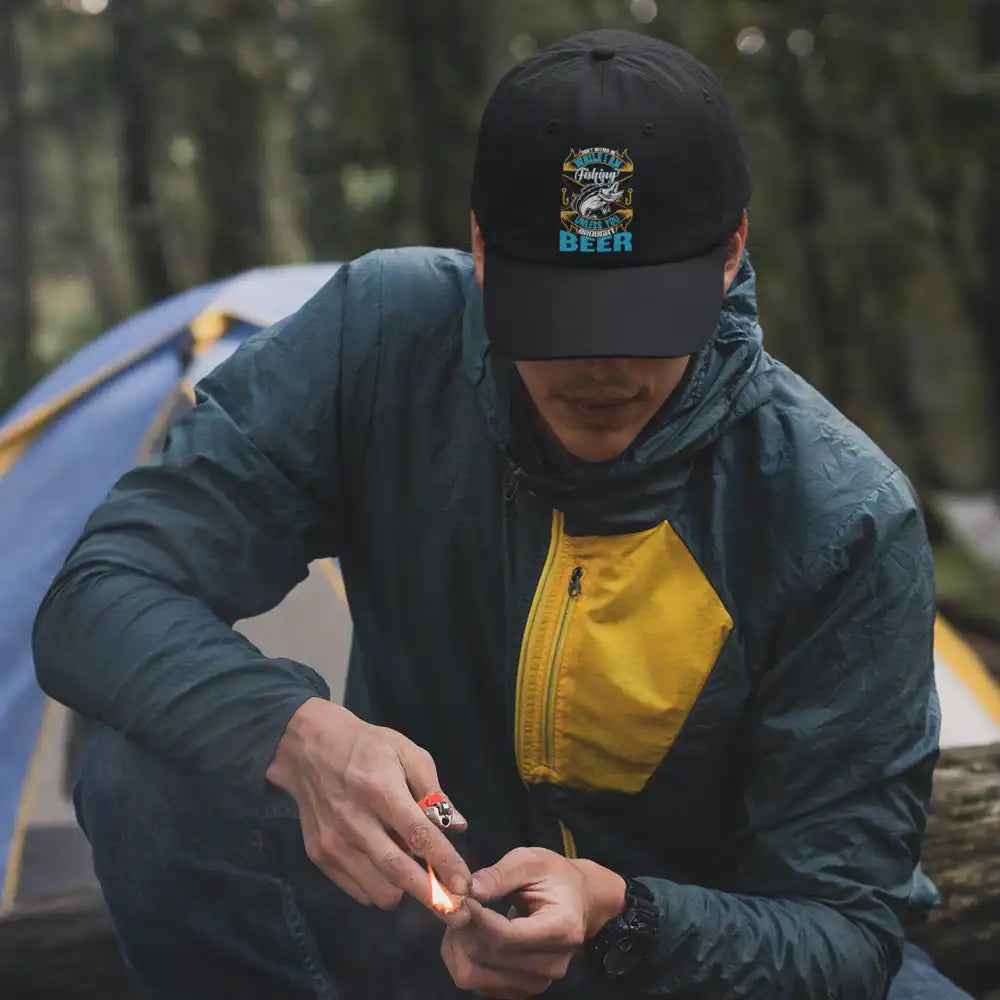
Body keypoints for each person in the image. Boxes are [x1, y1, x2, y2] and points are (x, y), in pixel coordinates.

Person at [32, 28, 970, 1000]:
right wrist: (298, 735)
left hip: (673, 958)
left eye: (643, 316)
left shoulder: (836, 511)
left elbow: (843, 925)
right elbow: (98, 596)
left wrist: (621, 913)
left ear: (732, 250)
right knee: (146, 753)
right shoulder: (381, 340)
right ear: (481, 247)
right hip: (421, 929)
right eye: (558, 317)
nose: (600, 368)